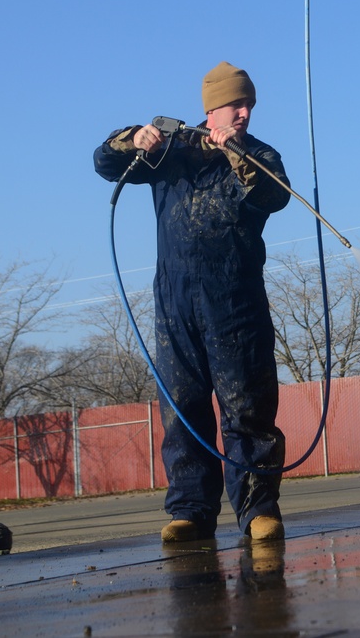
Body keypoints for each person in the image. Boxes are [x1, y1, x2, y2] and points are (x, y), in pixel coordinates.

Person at [94, 62, 290, 542]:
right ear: (210, 108)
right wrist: (132, 140)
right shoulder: (172, 150)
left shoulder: (260, 153)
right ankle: (190, 511)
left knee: (247, 406)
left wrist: (237, 154)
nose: (243, 113)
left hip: (236, 300)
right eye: (234, 105)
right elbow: (104, 163)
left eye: (248, 105)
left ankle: (258, 509)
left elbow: (273, 196)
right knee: (182, 407)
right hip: (175, 302)